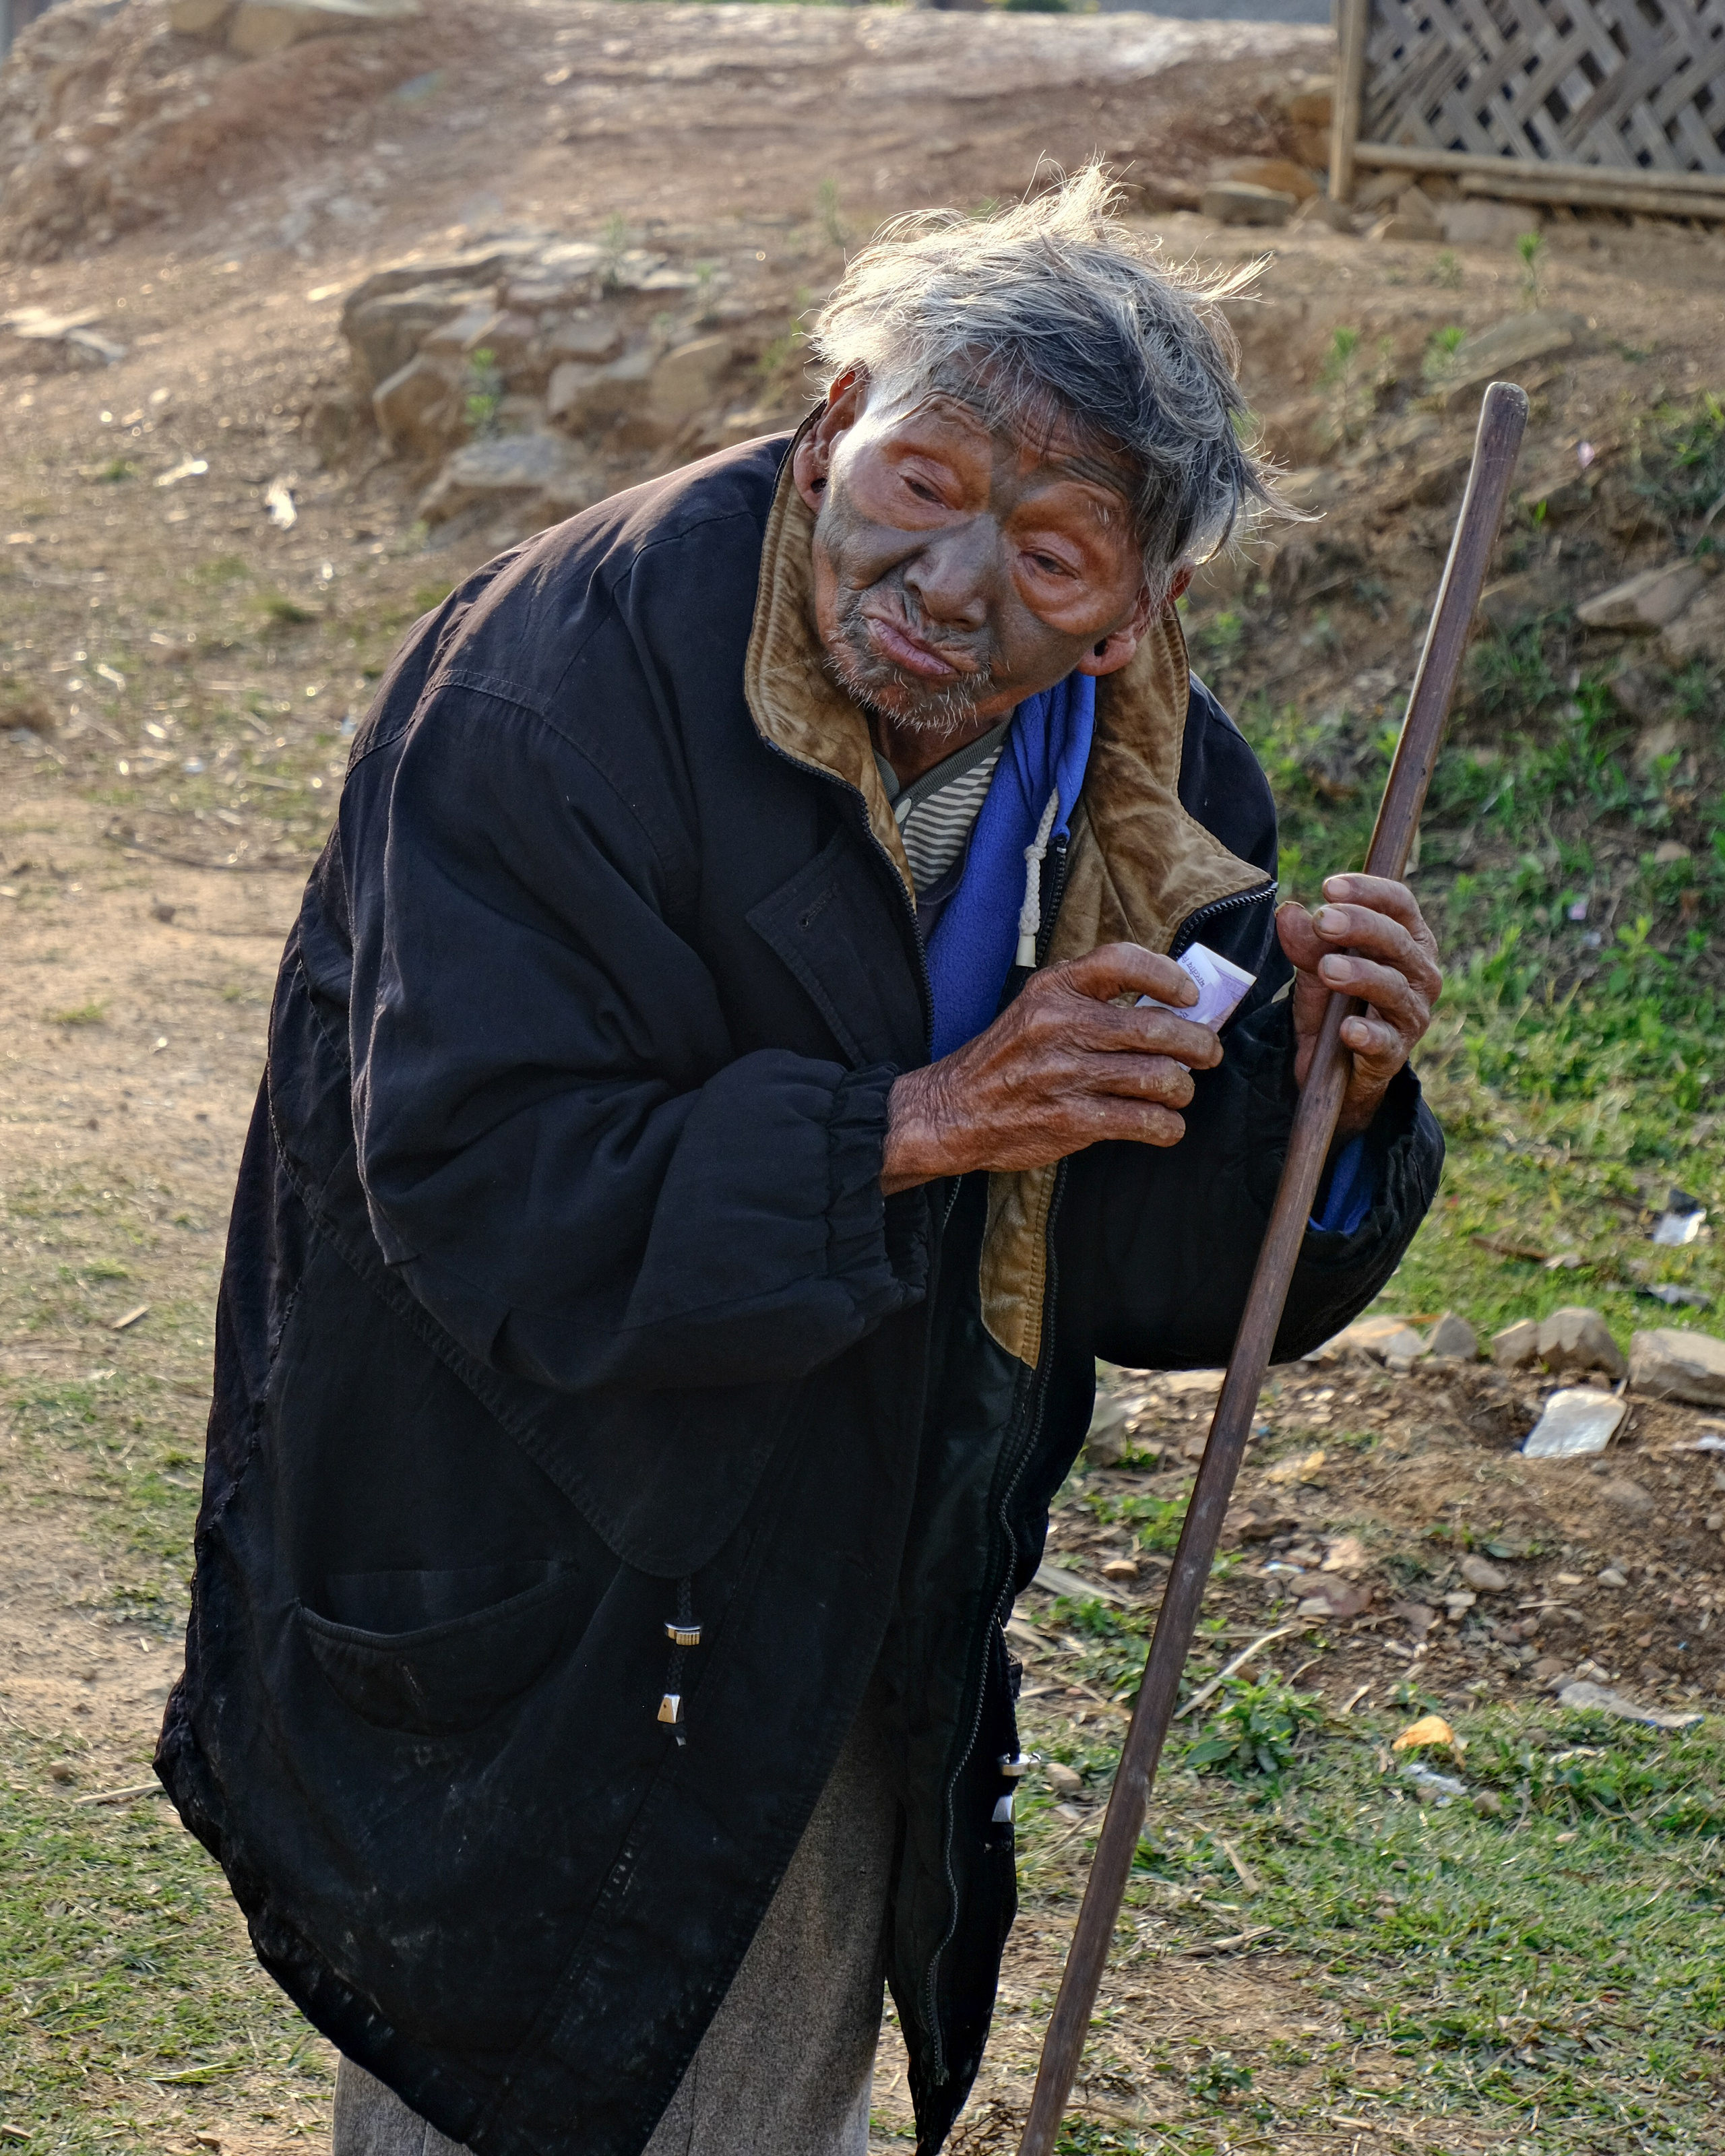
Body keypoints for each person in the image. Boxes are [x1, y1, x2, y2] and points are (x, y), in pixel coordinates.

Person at [156, 170, 1443, 2156]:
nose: (955, 583)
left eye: (1057, 549)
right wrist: (922, 1122)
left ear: (1143, 603)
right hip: (531, 1542)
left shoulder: (1144, 795)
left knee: (761, 2095)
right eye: (924, 485)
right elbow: (481, 1183)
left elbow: (1147, 1259)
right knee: (499, 2059)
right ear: (836, 421)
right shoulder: (549, 692)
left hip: (846, 1569)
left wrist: (1323, 1111)